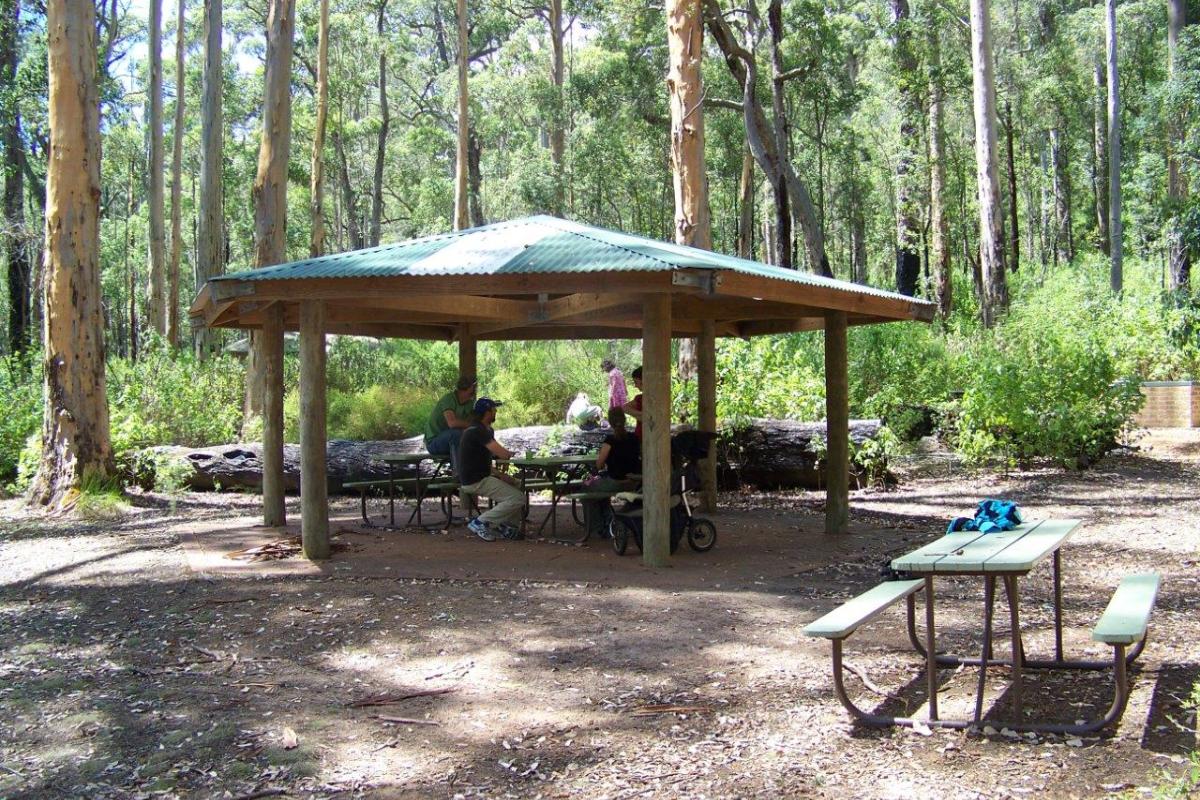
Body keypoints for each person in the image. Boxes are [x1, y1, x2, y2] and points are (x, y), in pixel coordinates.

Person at [457, 397, 524, 541]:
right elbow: (503, 454)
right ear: (487, 412)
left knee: (516, 484)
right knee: (518, 498)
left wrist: (500, 475)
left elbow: (482, 461)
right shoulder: (477, 430)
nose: (495, 412)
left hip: (482, 476)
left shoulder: (484, 430)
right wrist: (508, 454)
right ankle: (480, 522)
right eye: (494, 409)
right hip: (475, 480)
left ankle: (507, 526)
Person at [581, 407, 641, 539]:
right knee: (599, 492)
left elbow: (599, 464)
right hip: (633, 482)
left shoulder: (610, 440)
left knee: (585, 489)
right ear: (624, 420)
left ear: (611, 422)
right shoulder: (634, 438)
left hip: (615, 482)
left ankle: (597, 527)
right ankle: (608, 521)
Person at [424, 375, 476, 467]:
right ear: (464, 389)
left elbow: (469, 425)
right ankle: (458, 472)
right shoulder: (449, 399)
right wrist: (472, 425)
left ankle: (478, 471)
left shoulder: (470, 404)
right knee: (455, 434)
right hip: (434, 442)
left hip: (453, 440)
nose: (474, 391)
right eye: (473, 388)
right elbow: (452, 423)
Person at [622, 366, 644, 439]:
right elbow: (624, 408)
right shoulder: (639, 398)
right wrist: (641, 414)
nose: (635, 386)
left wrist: (635, 414)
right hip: (640, 436)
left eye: (636, 382)